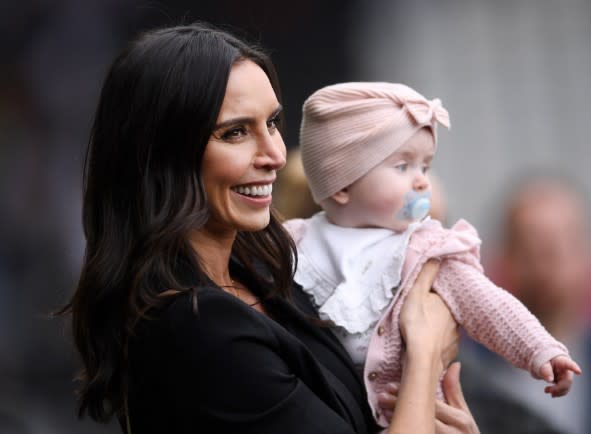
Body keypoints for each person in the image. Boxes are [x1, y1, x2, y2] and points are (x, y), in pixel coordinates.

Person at [59, 23, 480, 434]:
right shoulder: (195, 327)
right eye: (236, 132)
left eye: (273, 124)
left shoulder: (264, 275)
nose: (275, 154)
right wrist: (424, 354)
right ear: (165, 156)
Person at [284, 82, 581, 428]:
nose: (422, 181)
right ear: (342, 185)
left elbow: (490, 306)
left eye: (424, 167)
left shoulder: (429, 248)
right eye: (402, 167)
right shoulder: (296, 241)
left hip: (415, 413)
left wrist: (541, 350)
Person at [461, 174, 591, 434]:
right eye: (530, 246)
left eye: (562, 244)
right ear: (505, 257)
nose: (547, 262)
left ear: (590, 251)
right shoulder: (460, 369)